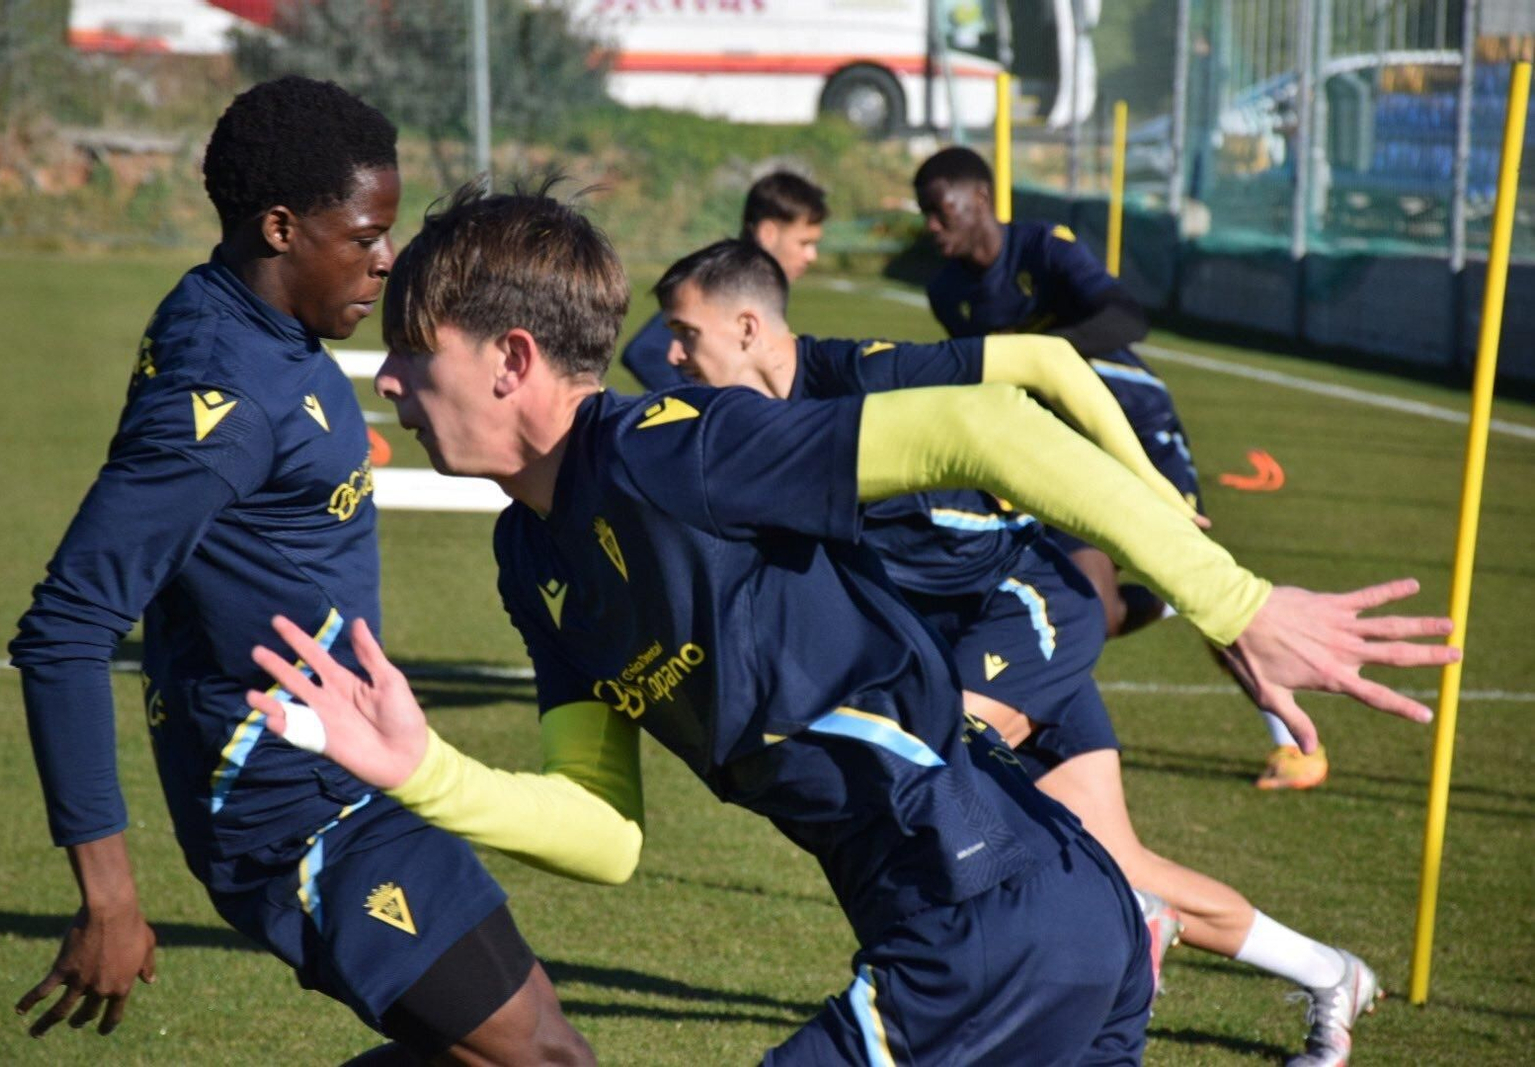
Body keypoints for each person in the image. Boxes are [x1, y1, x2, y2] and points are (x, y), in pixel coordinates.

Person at [250, 182, 1454, 1065]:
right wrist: (424, 766)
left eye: (414, 352)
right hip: (1007, 924)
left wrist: (1231, 599)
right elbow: (605, 829)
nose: (389, 381)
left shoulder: (670, 448)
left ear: (511, 358)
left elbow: (997, 425)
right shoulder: (531, 556)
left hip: (988, 921)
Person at [653, 238, 1392, 1066]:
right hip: (960, 638)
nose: (670, 356)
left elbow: (1047, 360)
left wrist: (1151, 485)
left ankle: (1054, 953)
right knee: (1116, 856)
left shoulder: (864, 373)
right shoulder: (744, 436)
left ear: (749, 327)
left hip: (1030, 604)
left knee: (927, 767)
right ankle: (1331, 974)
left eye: (685, 334)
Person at [8, 78, 596, 1063]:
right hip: (294, 812)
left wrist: (324, 455)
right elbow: (65, 627)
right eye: (364, 236)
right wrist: (108, 896)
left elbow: (247, 483)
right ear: (280, 227)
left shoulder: (240, 319)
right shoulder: (222, 401)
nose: (385, 260)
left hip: (359, 769)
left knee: (543, 1048)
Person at [913, 145, 1327, 792]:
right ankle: (1164, 599)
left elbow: (1125, 316)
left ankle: (1297, 743)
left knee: (1208, 593)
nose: (932, 228)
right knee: (1096, 613)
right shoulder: (948, 292)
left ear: (982, 199)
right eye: (926, 216)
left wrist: (1040, 352)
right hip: (1061, 451)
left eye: (941, 212)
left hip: (1138, 428)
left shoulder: (1044, 249)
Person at [620, 170, 826, 391]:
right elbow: (644, 352)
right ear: (768, 233)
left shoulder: (756, 285)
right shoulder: (725, 283)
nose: (811, 256)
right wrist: (701, 407)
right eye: (804, 243)